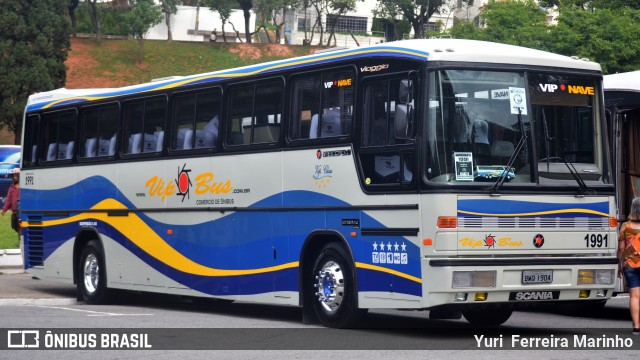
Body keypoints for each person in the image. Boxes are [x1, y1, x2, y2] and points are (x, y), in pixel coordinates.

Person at [618, 197, 640, 335]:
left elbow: (621, 248)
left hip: (630, 264)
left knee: (634, 296)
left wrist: (619, 264)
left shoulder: (625, 226)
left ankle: (637, 326)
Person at [1, 168, 20, 233]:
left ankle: (21, 238)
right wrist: (4, 210)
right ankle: (20, 235)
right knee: (13, 225)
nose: (14, 177)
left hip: (22, 212)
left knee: (20, 226)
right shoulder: (11, 188)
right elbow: (8, 200)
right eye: (13, 176)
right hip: (14, 212)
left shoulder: (24, 186)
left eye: (16, 175)